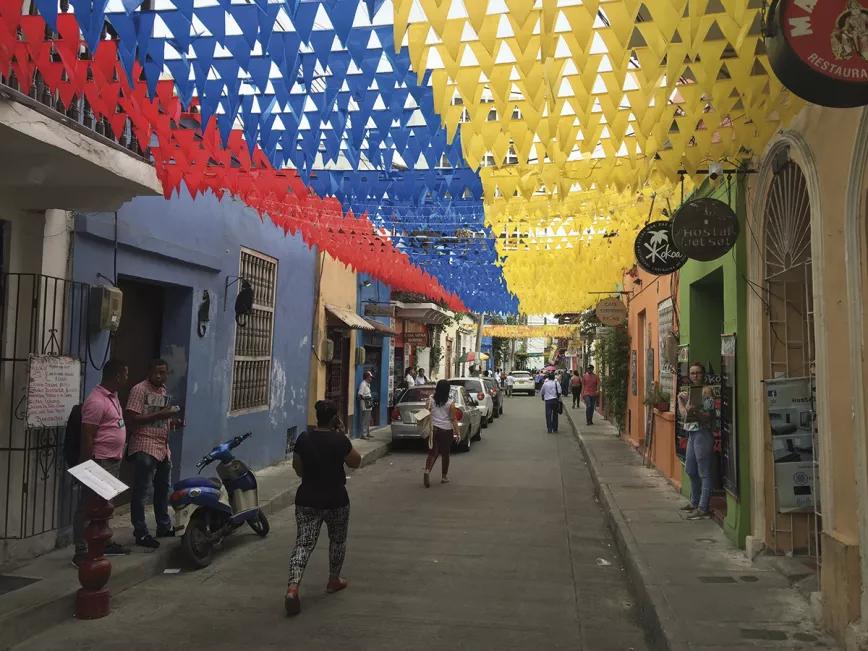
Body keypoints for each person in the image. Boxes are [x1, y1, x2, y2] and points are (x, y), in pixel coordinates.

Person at [285, 400, 362, 616]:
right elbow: (356, 462)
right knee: (337, 540)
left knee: (303, 543)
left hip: (307, 498)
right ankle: (333, 579)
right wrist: (343, 435)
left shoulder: (304, 438)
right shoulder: (339, 440)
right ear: (335, 418)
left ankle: (293, 587)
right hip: (335, 498)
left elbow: (298, 469)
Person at [72, 358, 131, 567]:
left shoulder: (113, 397)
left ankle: (102, 542)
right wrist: (87, 467)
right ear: (116, 376)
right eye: (125, 374)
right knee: (88, 506)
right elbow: (88, 435)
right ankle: (81, 549)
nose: (126, 378)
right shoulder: (96, 400)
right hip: (99, 461)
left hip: (113, 460)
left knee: (104, 505)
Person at [125, 359, 180, 549]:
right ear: (149, 372)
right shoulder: (139, 390)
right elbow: (132, 418)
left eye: (163, 372)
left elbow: (161, 420)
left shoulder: (163, 391)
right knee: (141, 491)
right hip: (144, 445)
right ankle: (140, 532)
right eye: (156, 372)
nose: (159, 376)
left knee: (163, 488)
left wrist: (173, 423)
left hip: (163, 448)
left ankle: (163, 526)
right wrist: (159, 416)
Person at [677, 363, 716, 520]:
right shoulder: (689, 392)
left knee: (704, 471)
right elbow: (684, 415)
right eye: (692, 373)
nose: (695, 376)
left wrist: (695, 411)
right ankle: (694, 502)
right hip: (691, 433)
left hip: (703, 432)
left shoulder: (707, 392)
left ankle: (703, 506)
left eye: (698, 373)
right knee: (690, 469)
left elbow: (709, 415)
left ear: (703, 374)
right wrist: (681, 401)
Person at [423, 379, 460, 487]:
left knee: (432, 452)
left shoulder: (430, 400)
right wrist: (458, 433)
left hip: (433, 429)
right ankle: (444, 477)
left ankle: (427, 470)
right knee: (445, 454)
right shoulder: (450, 403)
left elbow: (426, 412)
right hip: (446, 430)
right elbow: (453, 419)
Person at [357, 371, 374, 439]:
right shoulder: (363, 384)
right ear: (367, 377)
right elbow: (360, 395)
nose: (371, 379)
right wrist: (366, 399)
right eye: (370, 377)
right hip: (365, 403)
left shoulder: (368, 384)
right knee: (365, 419)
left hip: (368, 402)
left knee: (368, 419)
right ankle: (363, 434)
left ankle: (367, 433)